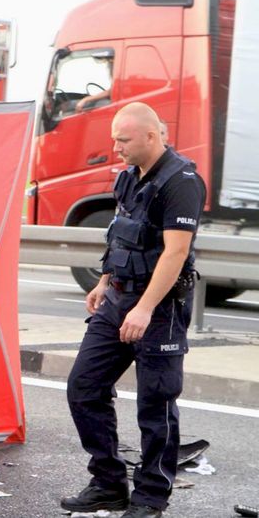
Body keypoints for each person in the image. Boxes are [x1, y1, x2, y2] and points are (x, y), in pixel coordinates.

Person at [61, 102, 205, 518]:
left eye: (123, 139)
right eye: (114, 138)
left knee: (155, 405)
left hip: (158, 309)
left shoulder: (182, 182)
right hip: (118, 299)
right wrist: (105, 282)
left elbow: (175, 253)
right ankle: (108, 484)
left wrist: (143, 309)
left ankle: (150, 498)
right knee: (84, 388)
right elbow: (121, 234)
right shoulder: (128, 178)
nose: (115, 146)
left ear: (150, 136)